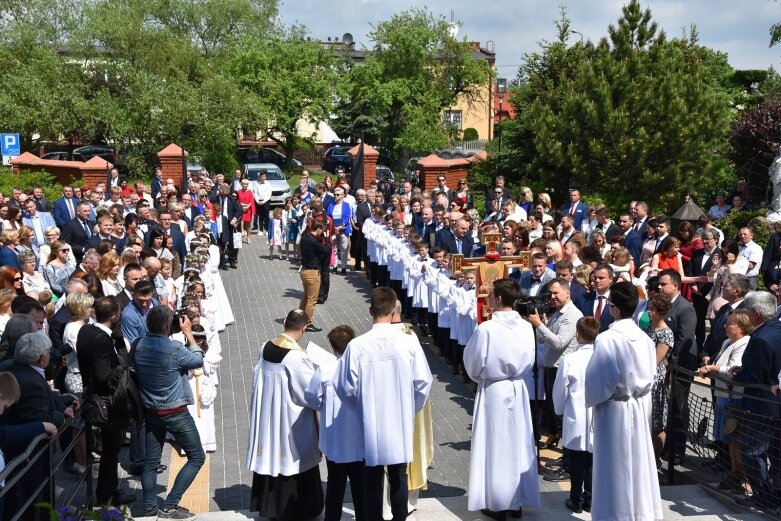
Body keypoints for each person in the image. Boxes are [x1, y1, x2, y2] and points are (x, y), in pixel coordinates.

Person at [334, 287, 432, 521]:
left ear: (370, 310)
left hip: (370, 421)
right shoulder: (407, 342)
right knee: (399, 475)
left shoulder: (357, 345)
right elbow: (423, 382)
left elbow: (344, 387)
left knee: (372, 477)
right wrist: (411, 408)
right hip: (399, 420)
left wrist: (359, 408)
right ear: (393, 311)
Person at [584, 281, 663, 521]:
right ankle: (640, 513)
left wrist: (590, 398)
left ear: (613, 308)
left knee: (615, 465)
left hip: (614, 409)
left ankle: (615, 514)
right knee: (638, 462)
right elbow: (651, 374)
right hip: (639, 405)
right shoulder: (645, 338)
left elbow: (600, 379)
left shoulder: (608, 339)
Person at [464, 278, 540, 520]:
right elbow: (529, 360)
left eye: (491, 294)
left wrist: (481, 378)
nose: (487, 297)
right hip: (518, 387)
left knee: (496, 445)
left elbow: (474, 363)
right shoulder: (526, 327)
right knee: (517, 443)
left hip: (494, 390)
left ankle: (498, 502)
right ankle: (515, 502)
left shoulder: (487, 329)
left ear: (498, 299)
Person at [246, 309, 323, 521]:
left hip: (268, 419)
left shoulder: (265, 347)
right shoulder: (297, 358)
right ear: (305, 328)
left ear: (285, 324)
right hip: (289, 421)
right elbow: (309, 394)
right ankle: (296, 510)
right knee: (291, 460)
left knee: (272, 457)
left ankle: (269, 507)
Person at [133, 306, 204, 520]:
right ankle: (168, 506)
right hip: (175, 412)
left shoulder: (139, 344)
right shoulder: (173, 347)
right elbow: (197, 360)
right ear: (168, 325)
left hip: (151, 412)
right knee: (197, 457)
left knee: (151, 463)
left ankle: (149, 510)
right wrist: (189, 333)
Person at [77, 296, 137, 506]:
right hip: (106, 404)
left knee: (111, 451)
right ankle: (107, 494)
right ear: (114, 316)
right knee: (111, 452)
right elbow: (103, 374)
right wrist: (123, 370)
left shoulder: (86, 330)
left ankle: (108, 491)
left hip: (96, 398)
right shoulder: (101, 339)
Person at [303, 324, 363, 521]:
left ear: (332, 348)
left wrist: (324, 407)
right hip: (359, 440)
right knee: (360, 485)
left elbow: (312, 397)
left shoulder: (325, 370)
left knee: (335, 485)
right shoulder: (362, 368)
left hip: (335, 439)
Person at [526, 278, 583, 455]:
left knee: (562, 416)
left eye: (556, 292)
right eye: (551, 293)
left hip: (562, 370)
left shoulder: (572, 315)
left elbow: (558, 343)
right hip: (552, 369)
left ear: (568, 293)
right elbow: (544, 339)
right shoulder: (558, 312)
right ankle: (564, 453)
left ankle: (567, 458)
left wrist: (540, 325)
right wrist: (540, 324)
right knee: (554, 412)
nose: (552, 296)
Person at [552, 316, 600, 513]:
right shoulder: (601, 357)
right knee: (592, 460)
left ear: (578, 335)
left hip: (576, 415)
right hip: (597, 416)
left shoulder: (570, 359)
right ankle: (590, 499)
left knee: (576, 460)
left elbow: (560, 390)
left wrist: (559, 410)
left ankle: (576, 499)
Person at [298, 221, 330, 332]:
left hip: (304, 271)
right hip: (312, 273)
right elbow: (326, 251)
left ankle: (299, 319)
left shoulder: (304, 237)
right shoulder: (313, 241)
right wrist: (327, 239)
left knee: (306, 297)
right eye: (322, 231)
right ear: (319, 229)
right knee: (312, 300)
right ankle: (307, 323)